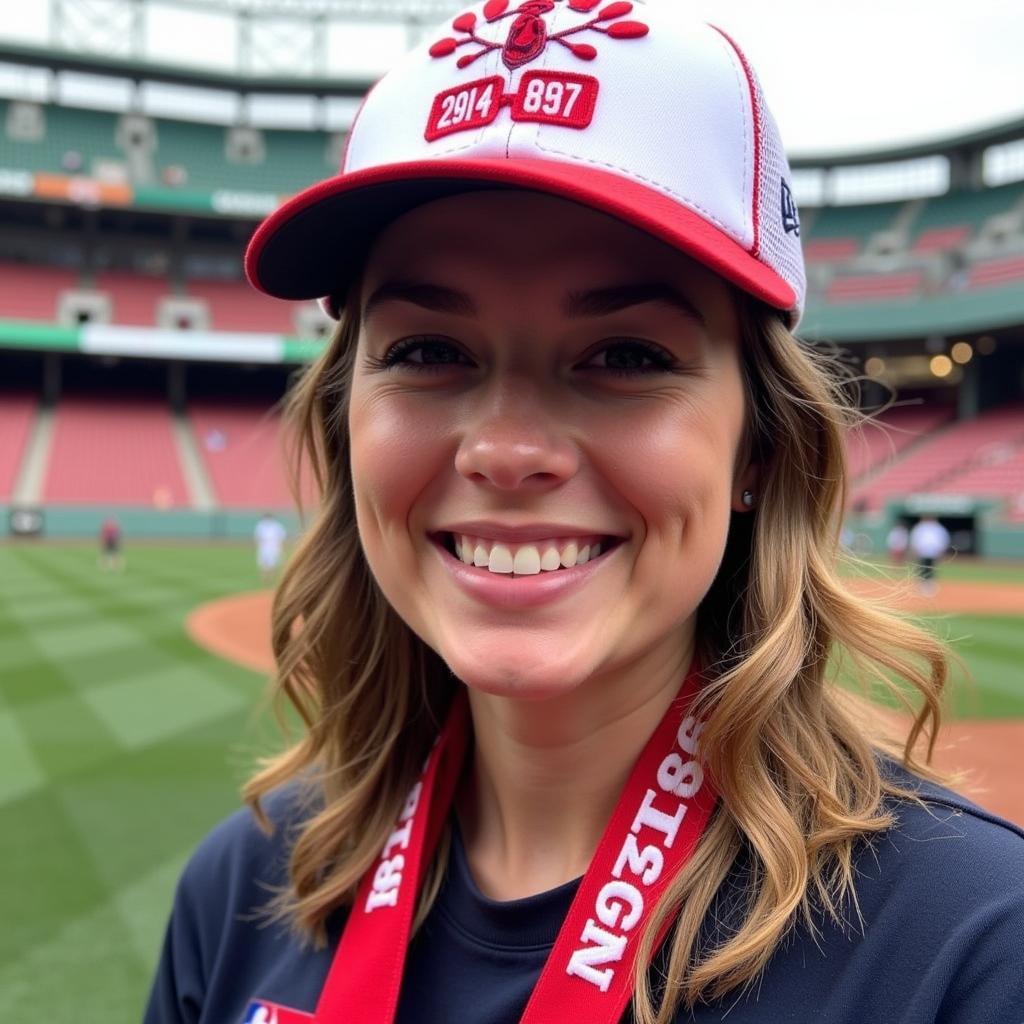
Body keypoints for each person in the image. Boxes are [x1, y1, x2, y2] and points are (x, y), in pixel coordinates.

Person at [145, 4, 1024, 1023]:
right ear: (348, 424)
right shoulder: (241, 891)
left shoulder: (969, 951)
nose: (507, 450)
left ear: (759, 446)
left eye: (626, 357)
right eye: (428, 352)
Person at [908, 514, 950, 596]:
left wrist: (941, 549)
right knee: (922, 568)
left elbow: (943, 538)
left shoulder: (938, 528)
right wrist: (915, 549)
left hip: (933, 552)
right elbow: (915, 538)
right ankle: (922, 585)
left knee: (931, 568)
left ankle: (930, 585)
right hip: (922, 551)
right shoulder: (921, 527)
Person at [253, 511, 287, 583]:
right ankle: (265, 577)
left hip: (274, 546)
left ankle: (271, 577)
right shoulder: (261, 525)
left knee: (273, 563)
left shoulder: (276, 526)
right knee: (263, 563)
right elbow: (258, 537)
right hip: (264, 547)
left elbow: (281, 537)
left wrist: (281, 547)